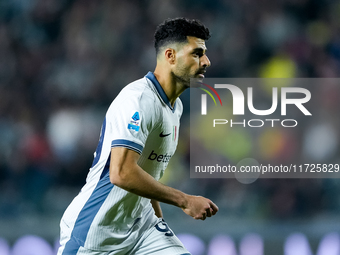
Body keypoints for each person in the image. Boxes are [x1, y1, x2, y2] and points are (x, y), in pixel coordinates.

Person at [58, 17, 218, 255]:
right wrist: (185, 200)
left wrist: (159, 222)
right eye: (197, 53)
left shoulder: (176, 107)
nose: (206, 61)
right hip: (95, 232)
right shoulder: (138, 99)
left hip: (141, 227)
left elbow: (148, 171)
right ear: (170, 56)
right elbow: (121, 173)